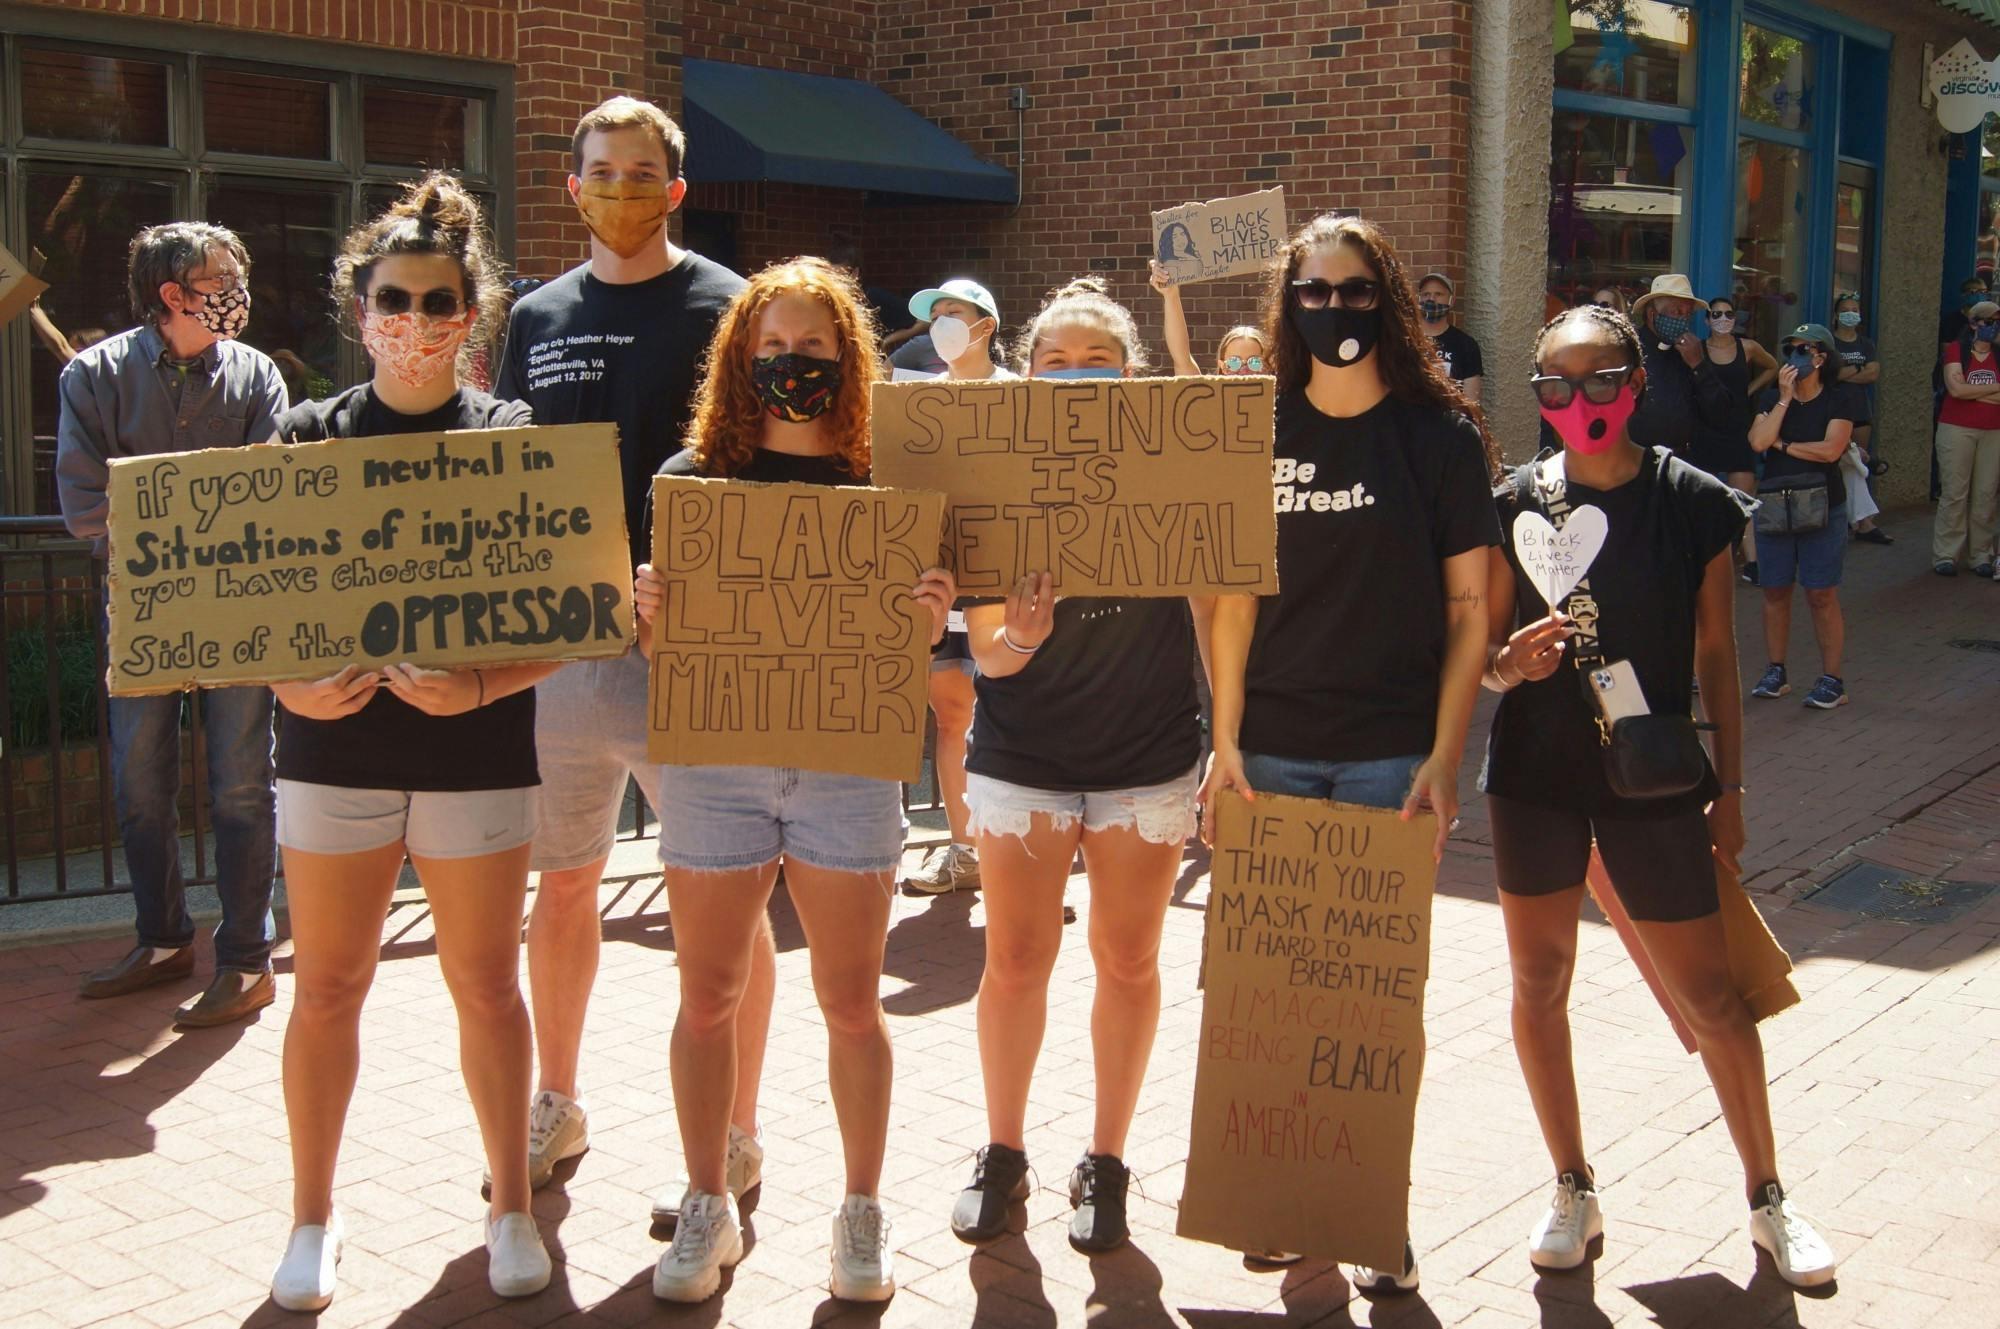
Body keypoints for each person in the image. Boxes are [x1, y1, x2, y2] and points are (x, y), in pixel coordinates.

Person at [1480, 301, 1836, 1291]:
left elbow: (1718, 651)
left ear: (1635, 384)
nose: (1579, 398)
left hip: (1658, 772)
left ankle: (1767, 1196)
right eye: (1556, 383)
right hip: (1535, 774)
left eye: (1600, 377)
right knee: (1537, 984)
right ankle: (1571, 1186)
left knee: (1711, 996)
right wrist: (1506, 666)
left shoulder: (1689, 497)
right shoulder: (1513, 502)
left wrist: (1732, 787)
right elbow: (1484, 656)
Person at [635, 257, 956, 1304]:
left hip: (845, 769)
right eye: (771, 346)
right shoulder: (692, 481)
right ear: (740, 358)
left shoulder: (886, 485)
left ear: (846, 357)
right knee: (707, 995)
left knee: (852, 1002)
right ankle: (706, 1199)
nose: (791, 363)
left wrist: (925, 620)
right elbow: (666, 656)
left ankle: (861, 1210)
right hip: (715, 768)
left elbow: (908, 651)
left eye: (812, 346)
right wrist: (651, 615)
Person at [262, 173, 555, 1312]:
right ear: (360, 307)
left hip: (474, 757)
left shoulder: (511, 437)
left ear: (471, 314)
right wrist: (287, 683)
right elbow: (245, 604)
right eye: (396, 299)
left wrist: (477, 682)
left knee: (485, 986)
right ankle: (311, 1215)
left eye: (440, 303)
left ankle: (511, 1206)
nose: (417, 320)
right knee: (327, 986)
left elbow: (568, 623)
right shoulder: (304, 434)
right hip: (332, 755)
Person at [1202, 215, 1500, 1291]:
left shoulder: (1438, 436)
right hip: (1272, 753)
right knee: (1274, 993)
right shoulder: (1252, 429)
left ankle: (1371, 1208)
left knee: (1372, 1006)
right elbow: (1232, 602)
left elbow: (1469, 608)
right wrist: (1223, 743)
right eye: (1314, 291)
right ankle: (1286, 1199)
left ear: (1389, 300)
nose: (1335, 308)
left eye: (1356, 288)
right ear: (1289, 306)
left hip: (1388, 754)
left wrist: (1444, 753)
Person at [491, 96, 772, 1211]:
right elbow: (504, 467)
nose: (620, 188)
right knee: (562, 883)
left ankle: (738, 1129)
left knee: (722, 900)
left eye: (640, 171)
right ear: (572, 187)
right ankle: (555, 1100)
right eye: (601, 171)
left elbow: (766, 457)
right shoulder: (536, 316)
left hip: (692, 647)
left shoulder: (728, 305)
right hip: (564, 650)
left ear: (675, 188)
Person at [946, 276, 1203, 1258]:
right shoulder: (992, 480)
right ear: (1025, 375)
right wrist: (1019, 632)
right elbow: (987, 654)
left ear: (1130, 377)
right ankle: (1003, 1150)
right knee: (1015, 960)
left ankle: (1106, 1159)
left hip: (1146, 756)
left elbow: (1220, 605)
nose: (1077, 375)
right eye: (1056, 361)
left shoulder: (1177, 471)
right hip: (1026, 754)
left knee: (1128, 960)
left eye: (1099, 360)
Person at [55, 222, 287, 1027]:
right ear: (172, 293)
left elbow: (274, 494)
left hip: (239, 617)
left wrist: (173, 524)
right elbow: (85, 507)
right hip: (142, 615)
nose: (238, 290)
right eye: (222, 277)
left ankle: (247, 958)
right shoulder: (93, 376)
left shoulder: (257, 375)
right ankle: (161, 939)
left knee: (242, 782)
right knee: (139, 780)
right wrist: (199, 529)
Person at [900, 278, 1014, 897]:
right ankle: (964, 850)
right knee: (950, 717)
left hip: (1007, 582)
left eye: (954, 312)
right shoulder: (915, 403)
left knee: (1016, 717)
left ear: (985, 325)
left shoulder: (1023, 396)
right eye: (935, 314)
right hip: (940, 584)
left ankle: (1023, 862)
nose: (942, 322)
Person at [1747, 324, 1857, 709]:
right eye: (1790, 348)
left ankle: (1833, 680)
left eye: (1803, 349)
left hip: (1823, 505)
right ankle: (1776, 671)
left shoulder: (1839, 399)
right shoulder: (1772, 397)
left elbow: (1830, 451)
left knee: (1821, 593)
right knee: (1775, 589)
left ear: (1821, 357)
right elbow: (1758, 441)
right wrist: (1784, 399)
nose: (1794, 356)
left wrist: (1784, 444)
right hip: (1776, 504)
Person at [1627, 274, 1739, 473]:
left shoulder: (1690, 351)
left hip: (1680, 463)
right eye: (1676, 312)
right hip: (1635, 463)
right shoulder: (1629, 350)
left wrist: (1698, 365)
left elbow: (1721, 413)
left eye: (1687, 314)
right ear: (1652, 314)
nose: (1683, 319)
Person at [1695, 295, 1772, 580]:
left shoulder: (1747, 347)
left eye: (1728, 314)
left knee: (1743, 501)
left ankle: (1751, 562)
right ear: (1707, 320)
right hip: (1706, 429)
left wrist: (1749, 391)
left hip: (1738, 429)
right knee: (1704, 499)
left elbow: (1772, 366)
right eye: (1716, 314)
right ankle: (1706, 561)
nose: (1723, 319)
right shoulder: (1698, 349)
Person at [1933, 299, 2000, 579]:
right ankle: (1946, 554)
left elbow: (1964, 390)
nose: (1994, 327)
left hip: (1994, 431)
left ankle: (1981, 554)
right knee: (1954, 492)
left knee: (1986, 494)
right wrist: (1994, 390)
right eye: (1989, 321)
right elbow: (1956, 390)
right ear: (1974, 324)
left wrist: (1971, 391)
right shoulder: (1956, 350)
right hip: (1956, 428)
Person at [1830, 293, 1888, 544]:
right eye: (1846, 309)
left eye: (1855, 309)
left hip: (1860, 411)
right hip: (1834, 413)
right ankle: (1851, 520)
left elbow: (1873, 374)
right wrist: (1858, 369)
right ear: (1836, 315)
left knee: (1858, 464)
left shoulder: (1866, 344)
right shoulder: (1829, 342)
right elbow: (1829, 375)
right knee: (1837, 465)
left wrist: (1845, 373)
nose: (1850, 314)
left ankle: (1859, 521)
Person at [1148, 259, 1269, 378]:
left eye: (1255, 362)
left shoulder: (1276, 391)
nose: (1244, 371)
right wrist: (1170, 294)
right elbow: (1182, 360)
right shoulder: (1205, 391)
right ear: (1222, 366)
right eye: (1234, 362)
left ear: (1267, 366)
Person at [1416, 271, 1484, 404]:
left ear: (1451, 301)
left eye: (1438, 294)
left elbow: (1471, 401)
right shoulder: (1404, 340)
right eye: (1426, 294)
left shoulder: (1466, 345)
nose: (1431, 299)